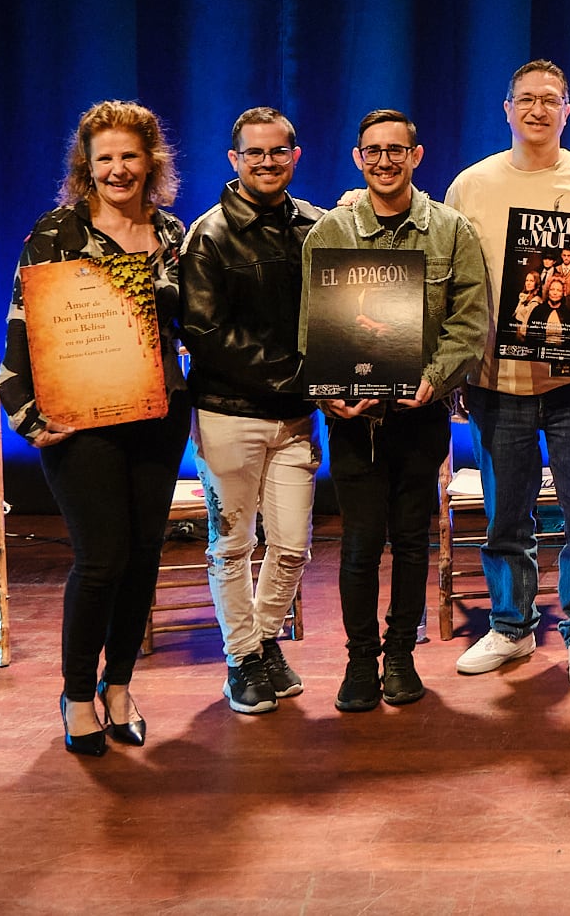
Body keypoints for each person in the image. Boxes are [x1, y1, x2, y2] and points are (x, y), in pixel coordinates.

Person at [0, 101, 191, 756]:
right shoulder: (55, 232)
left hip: (159, 417)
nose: (117, 169)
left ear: (151, 161)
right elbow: (20, 331)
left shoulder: (172, 232)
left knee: (142, 558)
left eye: (129, 156)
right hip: (79, 424)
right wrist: (28, 415)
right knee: (102, 558)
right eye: (103, 157)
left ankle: (120, 685)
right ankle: (77, 693)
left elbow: (193, 325)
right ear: (86, 165)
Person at [444, 61, 570, 688]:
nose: (537, 110)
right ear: (506, 109)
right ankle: (511, 626)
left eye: (549, 100)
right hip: (494, 380)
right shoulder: (469, 186)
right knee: (506, 513)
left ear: (567, 111)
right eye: (525, 99)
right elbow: (447, 282)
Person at [303, 109, 490, 713]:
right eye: (372, 151)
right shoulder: (328, 234)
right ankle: (361, 662)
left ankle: (402, 656)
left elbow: (470, 323)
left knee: (412, 542)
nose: (384, 160)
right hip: (353, 421)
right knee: (359, 544)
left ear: (417, 155)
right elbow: (308, 330)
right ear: (358, 158)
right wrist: (327, 390)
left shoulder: (451, 231)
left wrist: (433, 382)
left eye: (396, 150)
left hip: (419, 414)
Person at [179, 107, 325, 716]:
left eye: (278, 152)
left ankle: (263, 643)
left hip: (296, 419)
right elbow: (206, 333)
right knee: (232, 545)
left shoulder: (318, 226)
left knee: (292, 546)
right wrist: (306, 377)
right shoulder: (207, 235)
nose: (267, 162)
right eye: (254, 154)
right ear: (234, 160)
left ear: (295, 155)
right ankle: (242, 659)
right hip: (228, 414)